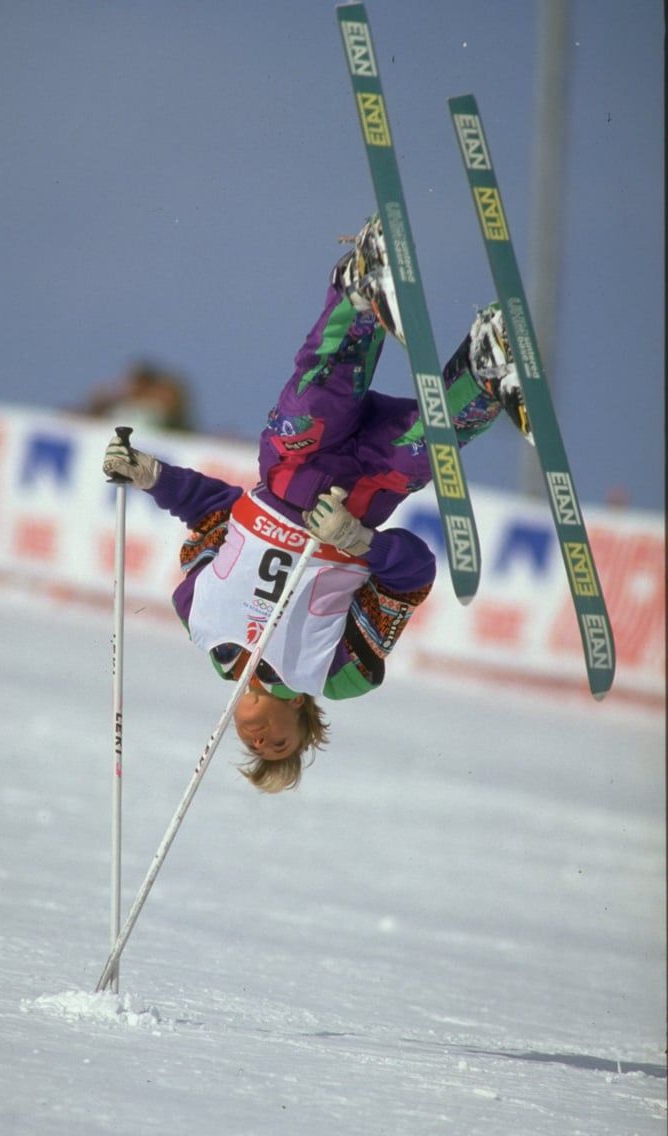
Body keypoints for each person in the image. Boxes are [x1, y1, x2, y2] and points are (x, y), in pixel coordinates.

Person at [103, 215, 529, 793]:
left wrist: (153, 477)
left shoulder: (197, 618)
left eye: (254, 747)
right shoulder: (341, 675)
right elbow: (412, 577)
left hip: (292, 472)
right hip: (360, 498)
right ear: (306, 723)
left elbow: (217, 515)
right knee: (419, 450)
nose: (261, 741)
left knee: (315, 403)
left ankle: (359, 289)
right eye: (281, 746)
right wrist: (360, 542)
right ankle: (486, 366)